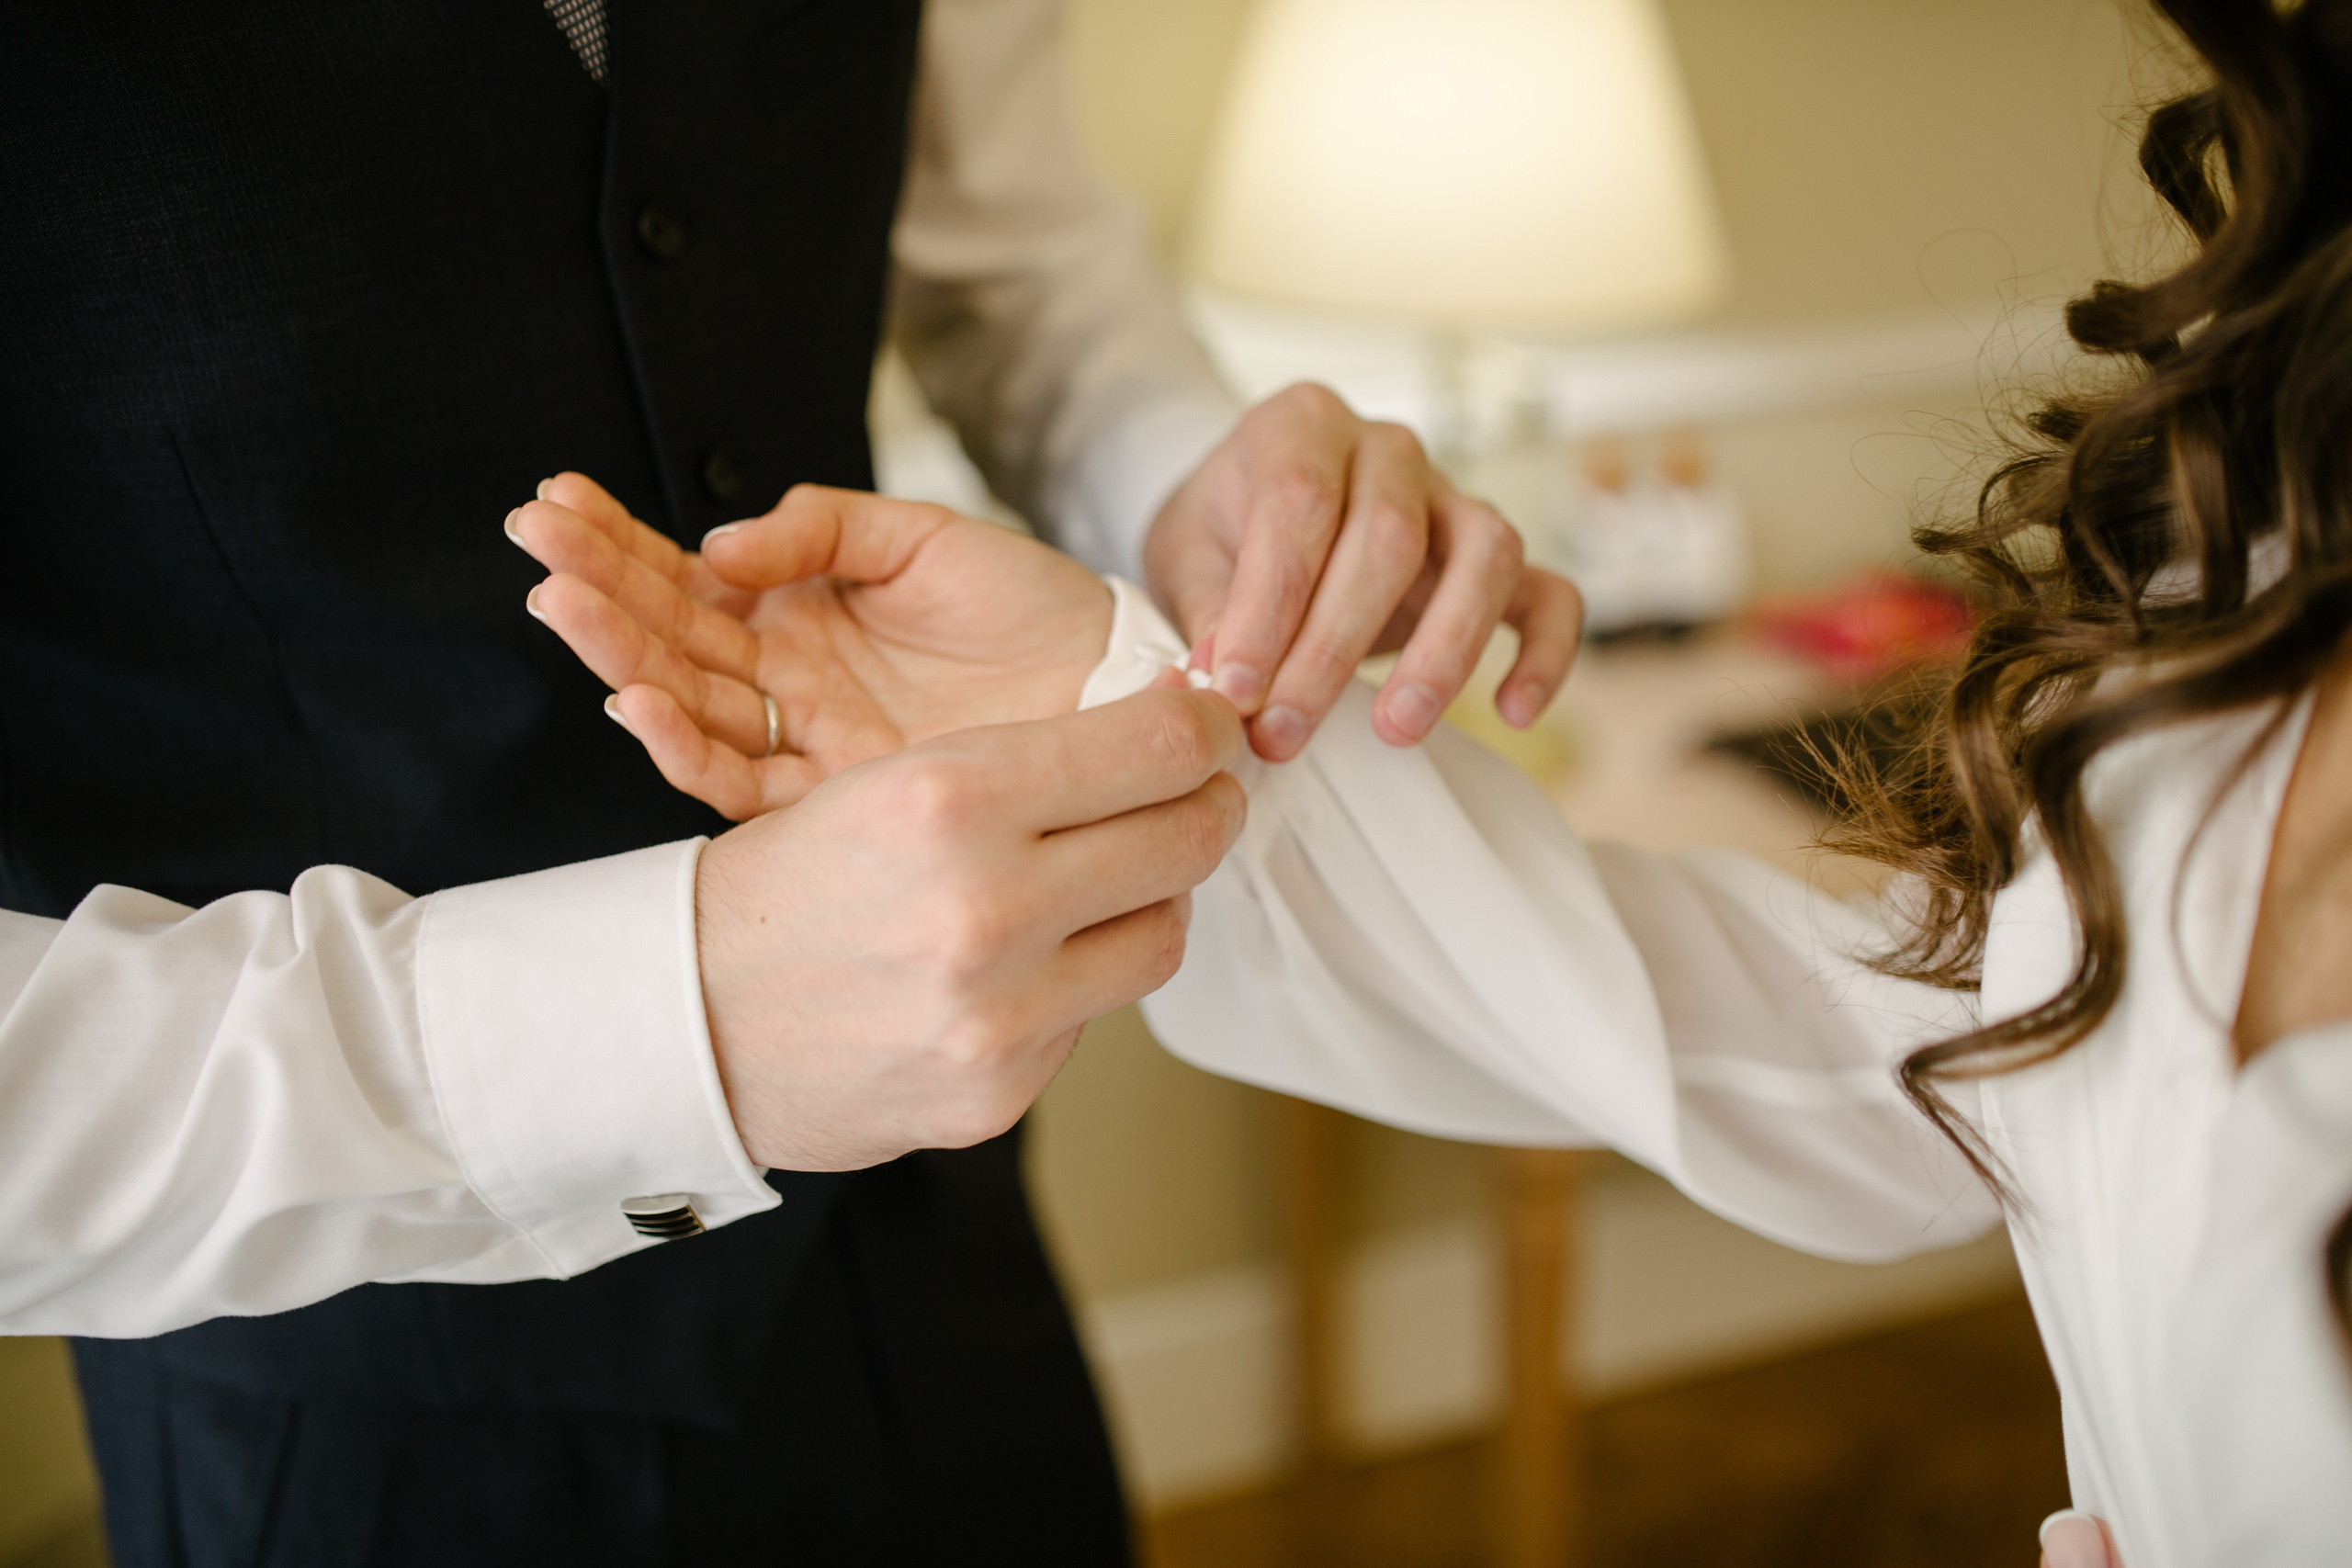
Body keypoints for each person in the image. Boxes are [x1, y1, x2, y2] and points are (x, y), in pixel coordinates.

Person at [555, 2, 2352, 1562]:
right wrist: (1116, 690)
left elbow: (1017, 272)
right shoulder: (2253, 554)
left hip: (931, 1297)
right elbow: (1957, 1050)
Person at [0, 2, 1577, 1562]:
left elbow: (1011, 258)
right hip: (354, 1394)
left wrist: (1182, 473)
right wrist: (676, 1020)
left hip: (937, 1245)